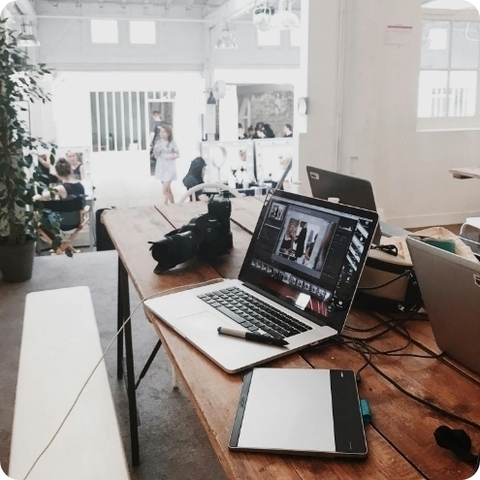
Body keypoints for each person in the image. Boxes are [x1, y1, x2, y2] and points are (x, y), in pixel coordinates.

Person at [153, 124, 179, 205]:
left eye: (163, 132)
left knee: (164, 190)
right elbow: (155, 154)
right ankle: (173, 203)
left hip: (169, 168)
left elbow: (178, 154)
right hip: (161, 167)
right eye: (161, 132)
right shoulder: (159, 143)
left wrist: (171, 156)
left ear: (168, 133)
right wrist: (155, 151)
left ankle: (164, 206)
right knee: (167, 189)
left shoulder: (172, 143)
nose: (161, 133)